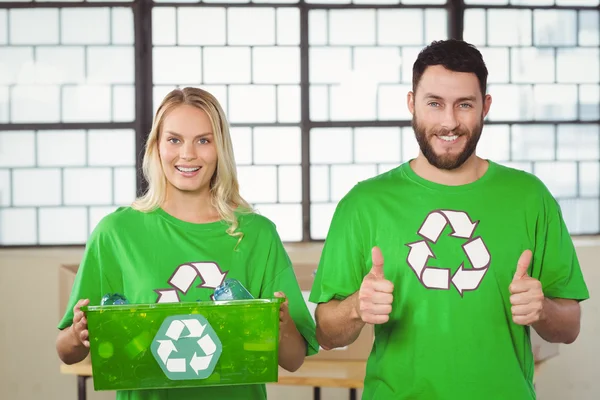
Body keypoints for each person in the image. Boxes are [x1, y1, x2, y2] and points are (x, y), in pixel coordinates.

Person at [309, 39, 589, 400]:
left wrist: (543, 310)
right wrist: (356, 308)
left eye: (465, 105)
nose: (450, 122)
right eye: (434, 104)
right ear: (412, 104)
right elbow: (326, 333)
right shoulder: (364, 203)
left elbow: (569, 327)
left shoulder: (530, 197)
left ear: (485, 107)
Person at [56, 87, 319, 400]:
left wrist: (283, 323)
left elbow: (293, 360)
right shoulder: (116, 233)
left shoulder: (257, 234)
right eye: (174, 139)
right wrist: (78, 335)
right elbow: (66, 352)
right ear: (156, 146)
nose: (188, 154)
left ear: (220, 148)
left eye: (204, 140)